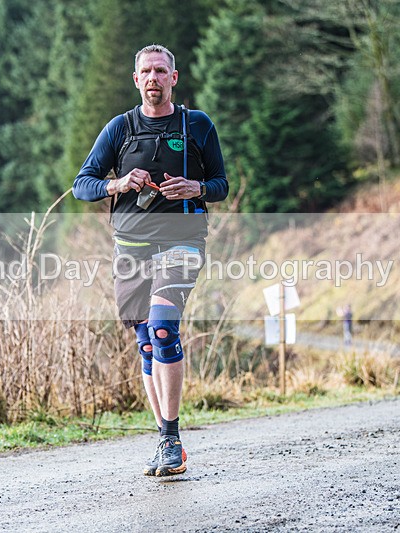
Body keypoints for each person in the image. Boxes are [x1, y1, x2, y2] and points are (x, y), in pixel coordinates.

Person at [72, 44, 228, 477]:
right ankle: (163, 438)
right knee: (145, 342)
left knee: (163, 326)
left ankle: (172, 438)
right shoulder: (119, 129)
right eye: (147, 71)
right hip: (131, 250)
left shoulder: (196, 125)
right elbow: (81, 185)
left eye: (162, 70)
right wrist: (118, 182)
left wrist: (195, 188)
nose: (154, 78)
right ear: (136, 79)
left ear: (174, 78)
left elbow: (221, 184)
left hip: (182, 242)